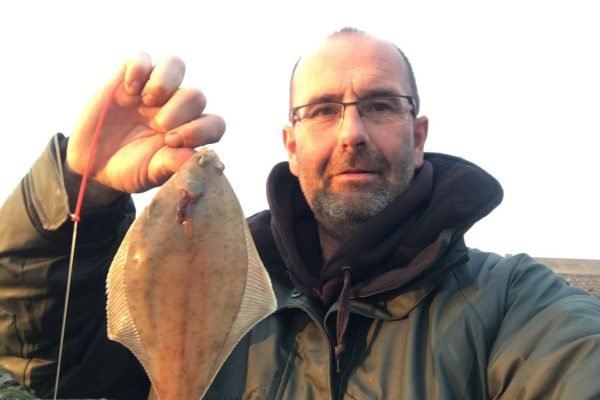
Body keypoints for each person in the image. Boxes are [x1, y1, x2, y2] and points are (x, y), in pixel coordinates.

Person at [1, 27, 599, 399]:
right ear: (290, 144)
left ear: (418, 136)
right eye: (320, 111)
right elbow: (43, 353)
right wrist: (81, 186)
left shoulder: (516, 304)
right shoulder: (241, 270)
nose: (352, 133)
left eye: (380, 105)